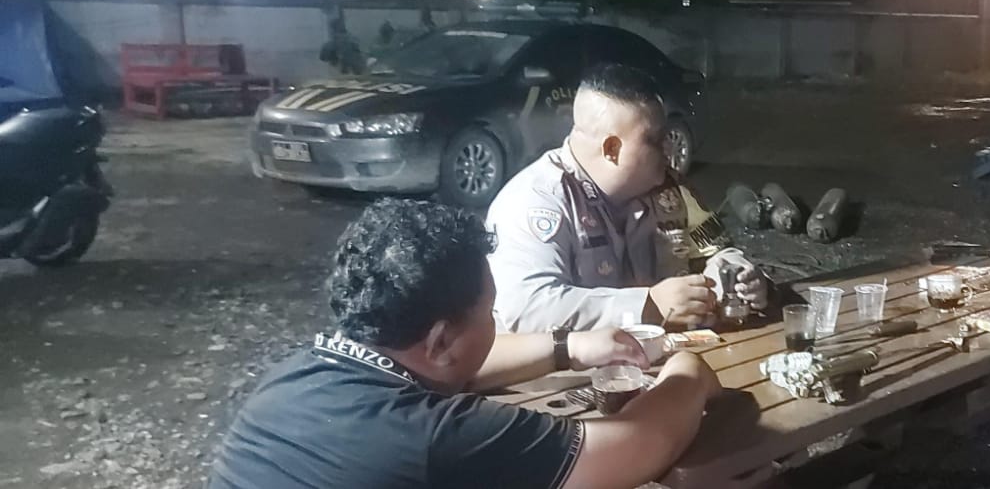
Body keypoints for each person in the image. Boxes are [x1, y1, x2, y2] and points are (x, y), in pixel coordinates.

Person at [209, 199, 722, 489]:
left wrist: (568, 346)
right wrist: (688, 371)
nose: (496, 324)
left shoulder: (292, 377)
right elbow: (640, 445)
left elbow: (456, 368)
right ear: (439, 339)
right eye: (490, 313)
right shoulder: (438, 436)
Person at [487, 63, 769, 332]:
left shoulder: (671, 188)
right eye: (655, 139)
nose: (668, 148)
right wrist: (648, 305)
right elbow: (529, 308)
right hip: (575, 366)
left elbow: (718, 251)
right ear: (612, 149)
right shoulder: (536, 201)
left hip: (669, 353)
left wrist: (737, 276)